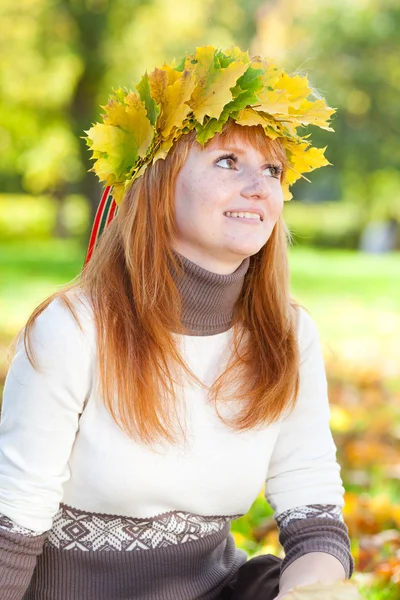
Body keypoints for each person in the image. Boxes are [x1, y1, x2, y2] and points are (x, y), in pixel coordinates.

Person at [0, 46, 353, 600]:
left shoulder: (287, 334)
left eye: (272, 169)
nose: (260, 187)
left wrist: (312, 594)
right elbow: (12, 523)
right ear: (160, 183)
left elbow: (314, 520)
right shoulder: (74, 328)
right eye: (227, 162)